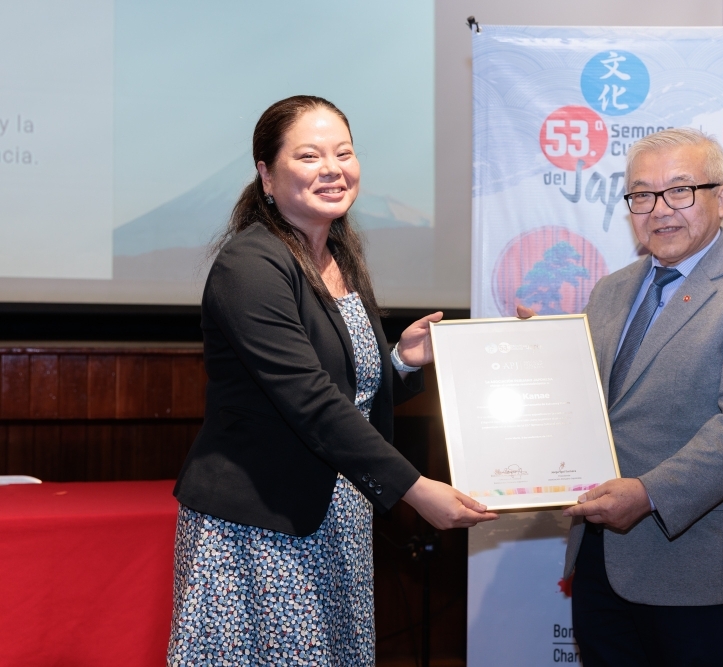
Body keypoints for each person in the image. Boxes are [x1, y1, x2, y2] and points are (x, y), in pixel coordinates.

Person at [167, 95, 496, 666]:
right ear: (266, 175)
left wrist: (402, 362)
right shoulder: (249, 265)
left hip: (336, 520)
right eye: (310, 155)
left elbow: (351, 394)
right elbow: (309, 400)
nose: (333, 168)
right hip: (260, 530)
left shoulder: (338, 257)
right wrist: (417, 490)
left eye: (344, 153)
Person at [545, 128, 723, 665]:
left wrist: (647, 493)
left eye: (680, 190)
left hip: (697, 571)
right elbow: (595, 401)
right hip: (599, 560)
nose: (660, 209)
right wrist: (538, 354)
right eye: (642, 194)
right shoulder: (611, 289)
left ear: (722, 198)